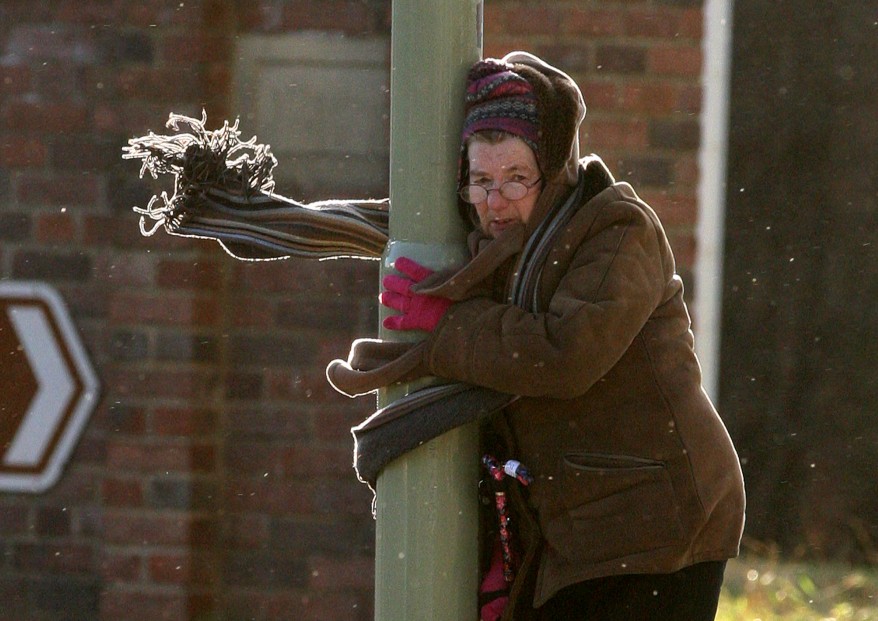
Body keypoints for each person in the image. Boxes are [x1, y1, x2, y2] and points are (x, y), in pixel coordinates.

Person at [374, 52, 746, 620]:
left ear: (553, 169)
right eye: (480, 181)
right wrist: (499, 568)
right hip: (579, 532)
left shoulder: (617, 228)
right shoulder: (493, 260)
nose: (496, 202)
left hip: (660, 525)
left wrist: (449, 324)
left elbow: (565, 356)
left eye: (516, 178)